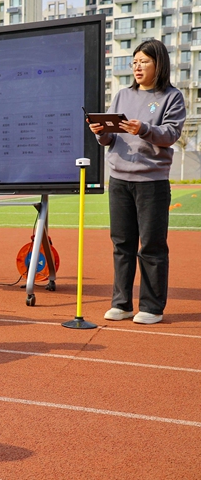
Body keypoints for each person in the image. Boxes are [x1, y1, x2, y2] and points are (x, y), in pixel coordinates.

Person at [89, 39, 185, 325]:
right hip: (119, 179)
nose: (137, 67)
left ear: (159, 64)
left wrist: (144, 129)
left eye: (144, 61)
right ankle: (121, 303)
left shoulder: (172, 97)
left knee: (152, 246)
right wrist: (101, 133)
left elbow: (170, 134)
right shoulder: (122, 95)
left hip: (151, 181)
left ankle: (152, 306)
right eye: (135, 62)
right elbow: (112, 137)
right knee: (122, 243)